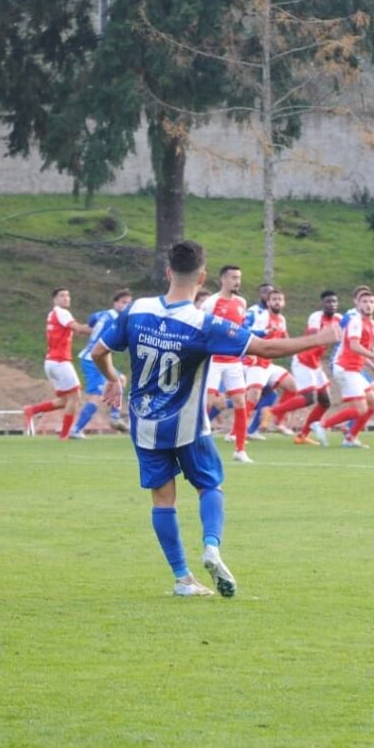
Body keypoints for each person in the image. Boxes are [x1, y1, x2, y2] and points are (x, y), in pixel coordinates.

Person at [91, 240, 340, 597]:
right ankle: (211, 546)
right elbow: (265, 348)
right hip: (188, 425)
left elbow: (100, 352)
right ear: (203, 276)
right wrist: (320, 337)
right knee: (210, 485)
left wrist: (114, 378)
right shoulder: (204, 323)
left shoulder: (136, 310)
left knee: (163, 501)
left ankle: (182, 579)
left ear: (167, 272)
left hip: (144, 423)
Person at [312, 287, 374, 449]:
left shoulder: (371, 323)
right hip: (345, 368)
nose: (368, 305)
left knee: (373, 403)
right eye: (364, 302)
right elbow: (355, 346)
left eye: (371, 302)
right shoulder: (355, 321)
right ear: (357, 304)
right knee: (360, 408)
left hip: (355, 369)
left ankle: (350, 438)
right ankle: (322, 425)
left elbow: (368, 349)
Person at [267, 289, 343, 444]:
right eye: (328, 302)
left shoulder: (339, 319)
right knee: (309, 399)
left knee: (325, 401)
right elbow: (316, 335)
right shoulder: (316, 317)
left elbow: (350, 326)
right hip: (303, 360)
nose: (332, 305)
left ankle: (302, 435)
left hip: (315, 363)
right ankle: (271, 412)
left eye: (334, 302)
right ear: (322, 304)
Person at [23, 288, 92, 438]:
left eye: (68, 295)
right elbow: (79, 329)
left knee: (65, 400)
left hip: (51, 362)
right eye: (62, 296)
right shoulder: (62, 312)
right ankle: (65, 435)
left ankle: (32, 410)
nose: (66, 298)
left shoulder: (52, 314)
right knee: (75, 397)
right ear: (54, 300)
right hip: (60, 361)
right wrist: (100, 327)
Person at [201, 265, 253, 463]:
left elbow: (241, 330)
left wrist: (248, 351)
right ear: (223, 279)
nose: (237, 281)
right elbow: (202, 328)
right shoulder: (211, 303)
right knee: (208, 403)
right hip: (213, 360)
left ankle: (240, 450)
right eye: (233, 278)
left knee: (241, 402)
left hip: (233, 361)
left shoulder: (241, 302)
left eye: (239, 277)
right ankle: (196, 444)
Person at [71, 289, 133, 438]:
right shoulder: (116, 320)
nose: (126, 306)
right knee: (97, 396)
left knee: (121, 379)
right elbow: (109, 343)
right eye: (123, 302)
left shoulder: (102, 314)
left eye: (129, 304)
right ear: (115, 303)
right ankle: (76, 430)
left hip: (98, 358)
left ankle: (114, 417)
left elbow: (91, 323)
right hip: (93, 359)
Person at [244, 288, 301, 435]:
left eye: (280, 299)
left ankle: (278, 422)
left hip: (268, 364)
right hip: (256, 363)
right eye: (274, 299)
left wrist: (296, 348)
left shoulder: (281, 319)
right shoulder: (263, 317)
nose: (277, 302)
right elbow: (251, 335)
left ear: (284, 302)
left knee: (292, 386)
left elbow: (284, 338)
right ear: (268, 302)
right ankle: (236, 431)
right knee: (254, 397)